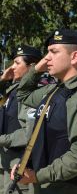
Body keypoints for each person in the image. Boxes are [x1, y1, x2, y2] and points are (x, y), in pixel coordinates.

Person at [11, 29, 77, 194]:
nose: (47, 58)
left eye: (53, 52)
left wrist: (38, 176)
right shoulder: (54, 90)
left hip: (66, 188)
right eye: (47, 53)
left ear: (74, 57)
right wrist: (36, 69)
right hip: (44, 183)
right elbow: (23, 94)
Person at [0, 45, 42, 194]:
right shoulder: (12, 90)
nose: (12, 67)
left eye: (17, 63)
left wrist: (2, 139)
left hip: (19, 163)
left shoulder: (33, 94)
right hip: (4, 160)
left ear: (32, 67)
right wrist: (3, 80)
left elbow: (29, 133)